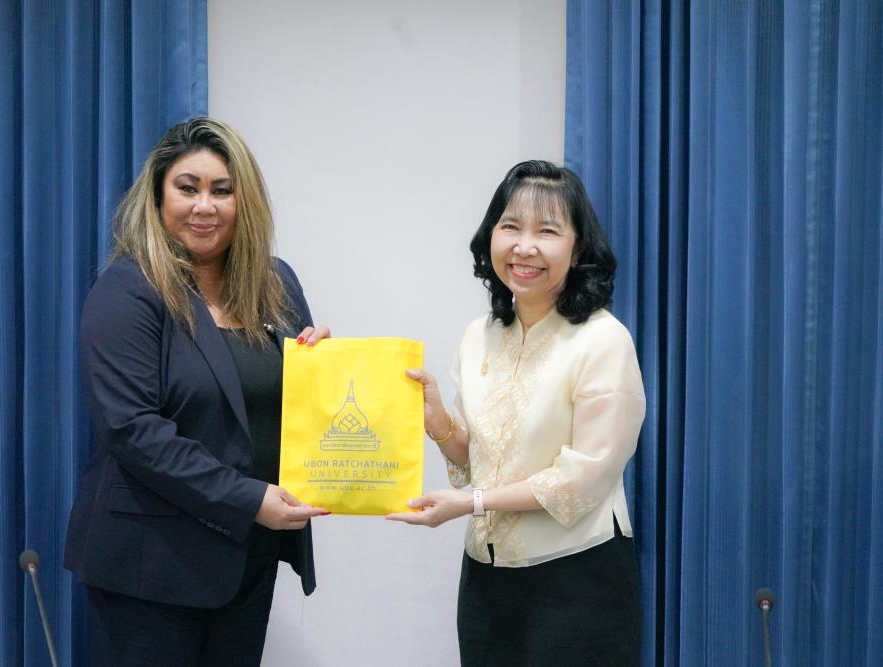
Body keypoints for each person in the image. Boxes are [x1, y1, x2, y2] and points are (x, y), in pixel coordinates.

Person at [64, 117, 330, 666]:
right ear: (159, 197)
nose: (204, 206)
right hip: (150, 570)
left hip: (249, 558)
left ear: (244, 201)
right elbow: (133, 431)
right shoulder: (128, 290)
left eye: (222, 190)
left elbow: (290, 407)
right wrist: (248, 499)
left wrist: (326, 369)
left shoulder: (276, 283)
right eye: (187, 188)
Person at [387, 160, 645, 665]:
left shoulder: (603, 340)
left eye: (546, 231)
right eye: (511, 227)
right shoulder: (479, 335)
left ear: (578, 248)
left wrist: (470, 504)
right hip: (485, 577)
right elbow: (480, 460)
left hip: (577, 579)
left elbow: (581, 480)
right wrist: (439, 425)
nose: (524, 247)